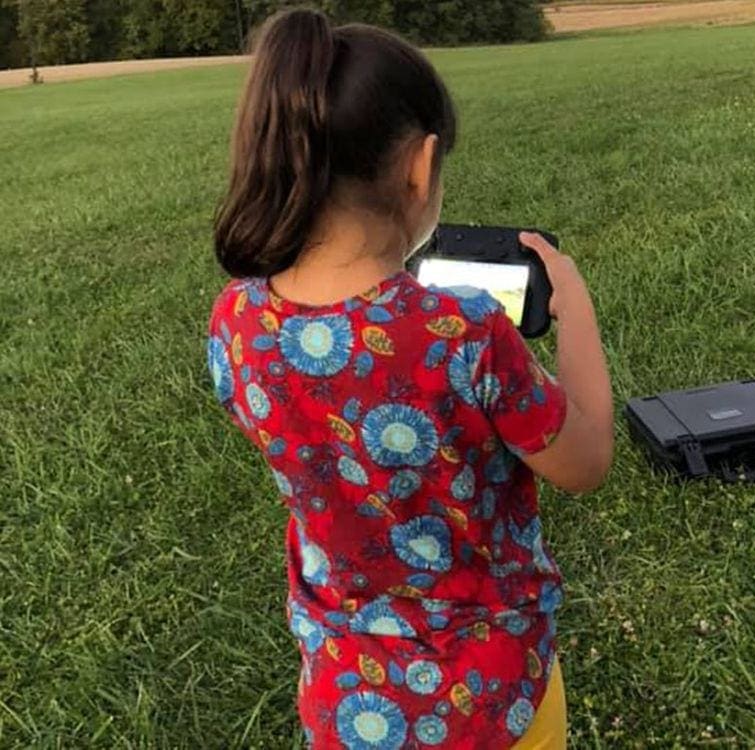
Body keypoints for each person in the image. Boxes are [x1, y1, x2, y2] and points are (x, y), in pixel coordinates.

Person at [206, 8, 613, 749]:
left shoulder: (235, 321)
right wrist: (576, 305)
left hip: (344, 700)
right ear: (420, 166)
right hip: (494, 700)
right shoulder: (464, 332)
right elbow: (585, 462)